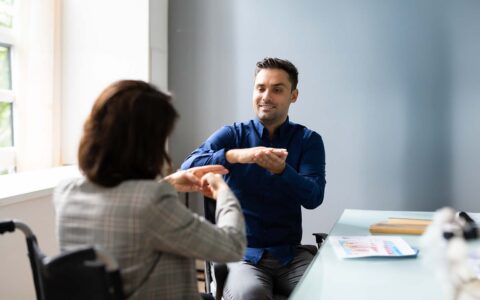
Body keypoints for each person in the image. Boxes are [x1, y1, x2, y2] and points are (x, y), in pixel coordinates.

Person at [53, 80, 246, 300]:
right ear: (146, 144)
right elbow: (232, 246)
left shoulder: (66, 193)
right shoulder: (152, 203)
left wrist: (169, 182)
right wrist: (224, 191)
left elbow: (124, 207)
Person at [181, 57, 326, 299]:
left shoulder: (308, 140)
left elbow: (313, 197)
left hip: (289, 254)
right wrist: (235, 155)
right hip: (241, 255)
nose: (266, 96)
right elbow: (189, 165)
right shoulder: (232, 134)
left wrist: (283, 171)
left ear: (294, 95)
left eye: (277, 89)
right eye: (260, 88)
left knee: (325, 292)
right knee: (252, 294)